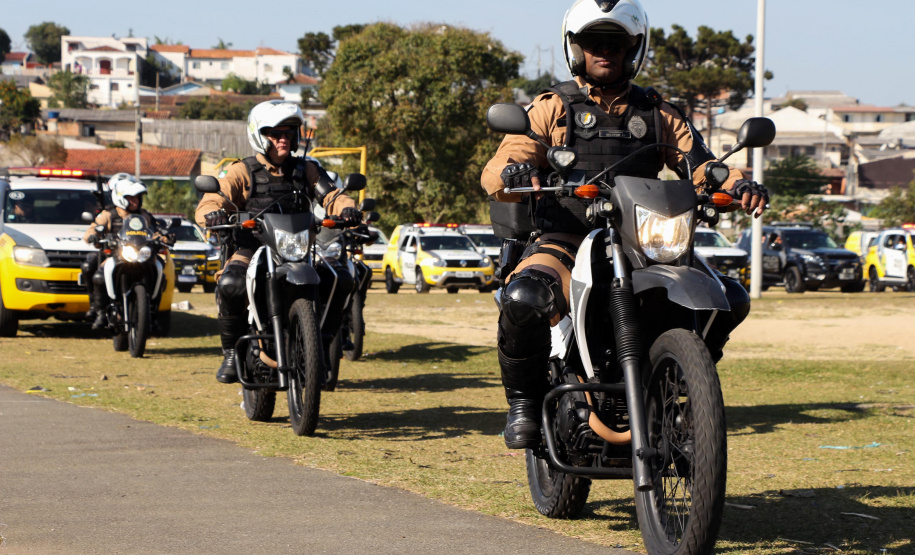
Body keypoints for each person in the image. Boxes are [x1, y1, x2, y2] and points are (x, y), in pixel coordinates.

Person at [481, 0, 770, 449]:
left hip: (643, 242)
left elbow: (703, 164)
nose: (605, 51)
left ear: (634, 48)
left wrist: (737, 183)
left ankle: (682, 387)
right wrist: (515, 172)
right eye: (594, 42)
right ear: (574, 47)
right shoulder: (551, 106)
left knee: (727, 299)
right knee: (525, 296)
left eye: (616, 43)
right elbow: (505, 161)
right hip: (567, 238)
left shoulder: (659, 112)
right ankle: (523, 402)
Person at [195, 100, 362, 385]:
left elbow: (332, 195)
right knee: (231, 283)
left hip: (297, 249)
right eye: (275, 133)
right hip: (252, 246)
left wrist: (346, 208)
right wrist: (212, 213)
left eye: (289, 132)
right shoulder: (242, 171)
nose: (283, 138)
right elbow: (216, 197)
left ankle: (320, 344)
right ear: (259, 135)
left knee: (342, 279)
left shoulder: (307, 169)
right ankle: (231, 354)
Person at [82, 173, 161, 329]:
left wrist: (163, 237)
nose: (135, 201)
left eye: (137, 198)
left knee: (159, 270)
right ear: (120, 198)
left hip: (140, 256)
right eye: (131, 198)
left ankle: (152, 311)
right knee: (99, 276)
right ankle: (100, 313)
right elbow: (93, 229)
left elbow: (155, 230)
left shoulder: (144, 215)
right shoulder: (109, 214)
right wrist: (94, 236)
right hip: (116, 255)